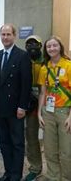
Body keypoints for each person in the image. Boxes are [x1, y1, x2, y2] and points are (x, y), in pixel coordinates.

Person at [0, 24, 32, 181]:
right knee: (3, 142)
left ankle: (16, 175)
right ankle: (8, 172)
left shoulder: (22, 55)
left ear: (14, 36)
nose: (5, 37)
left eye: (8, 34)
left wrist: (22, 106)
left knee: (17, 143)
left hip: (16, 109)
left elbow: (26, 84)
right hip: (1, 108)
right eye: (3, 34)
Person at [37, 36, 71, 181]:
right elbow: (43, 92)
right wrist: (39, 113)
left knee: (66, 150)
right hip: (48, 111)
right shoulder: (45, 68)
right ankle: (53, 175)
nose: (51, 48)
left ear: (60, 47)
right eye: (49, 46)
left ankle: (66, 177)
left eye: (54, 45)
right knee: (50, 149)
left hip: (65, 111)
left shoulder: (68, 66)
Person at [23, 35, 43, 181]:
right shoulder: (23, 60)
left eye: (35, 44)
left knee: (54, 139)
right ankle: (35, 167)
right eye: (29, 44)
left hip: (50, 104)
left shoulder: (48, 62)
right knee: (31, 137)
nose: (32, 47)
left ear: (41, 45)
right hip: (31, 105)